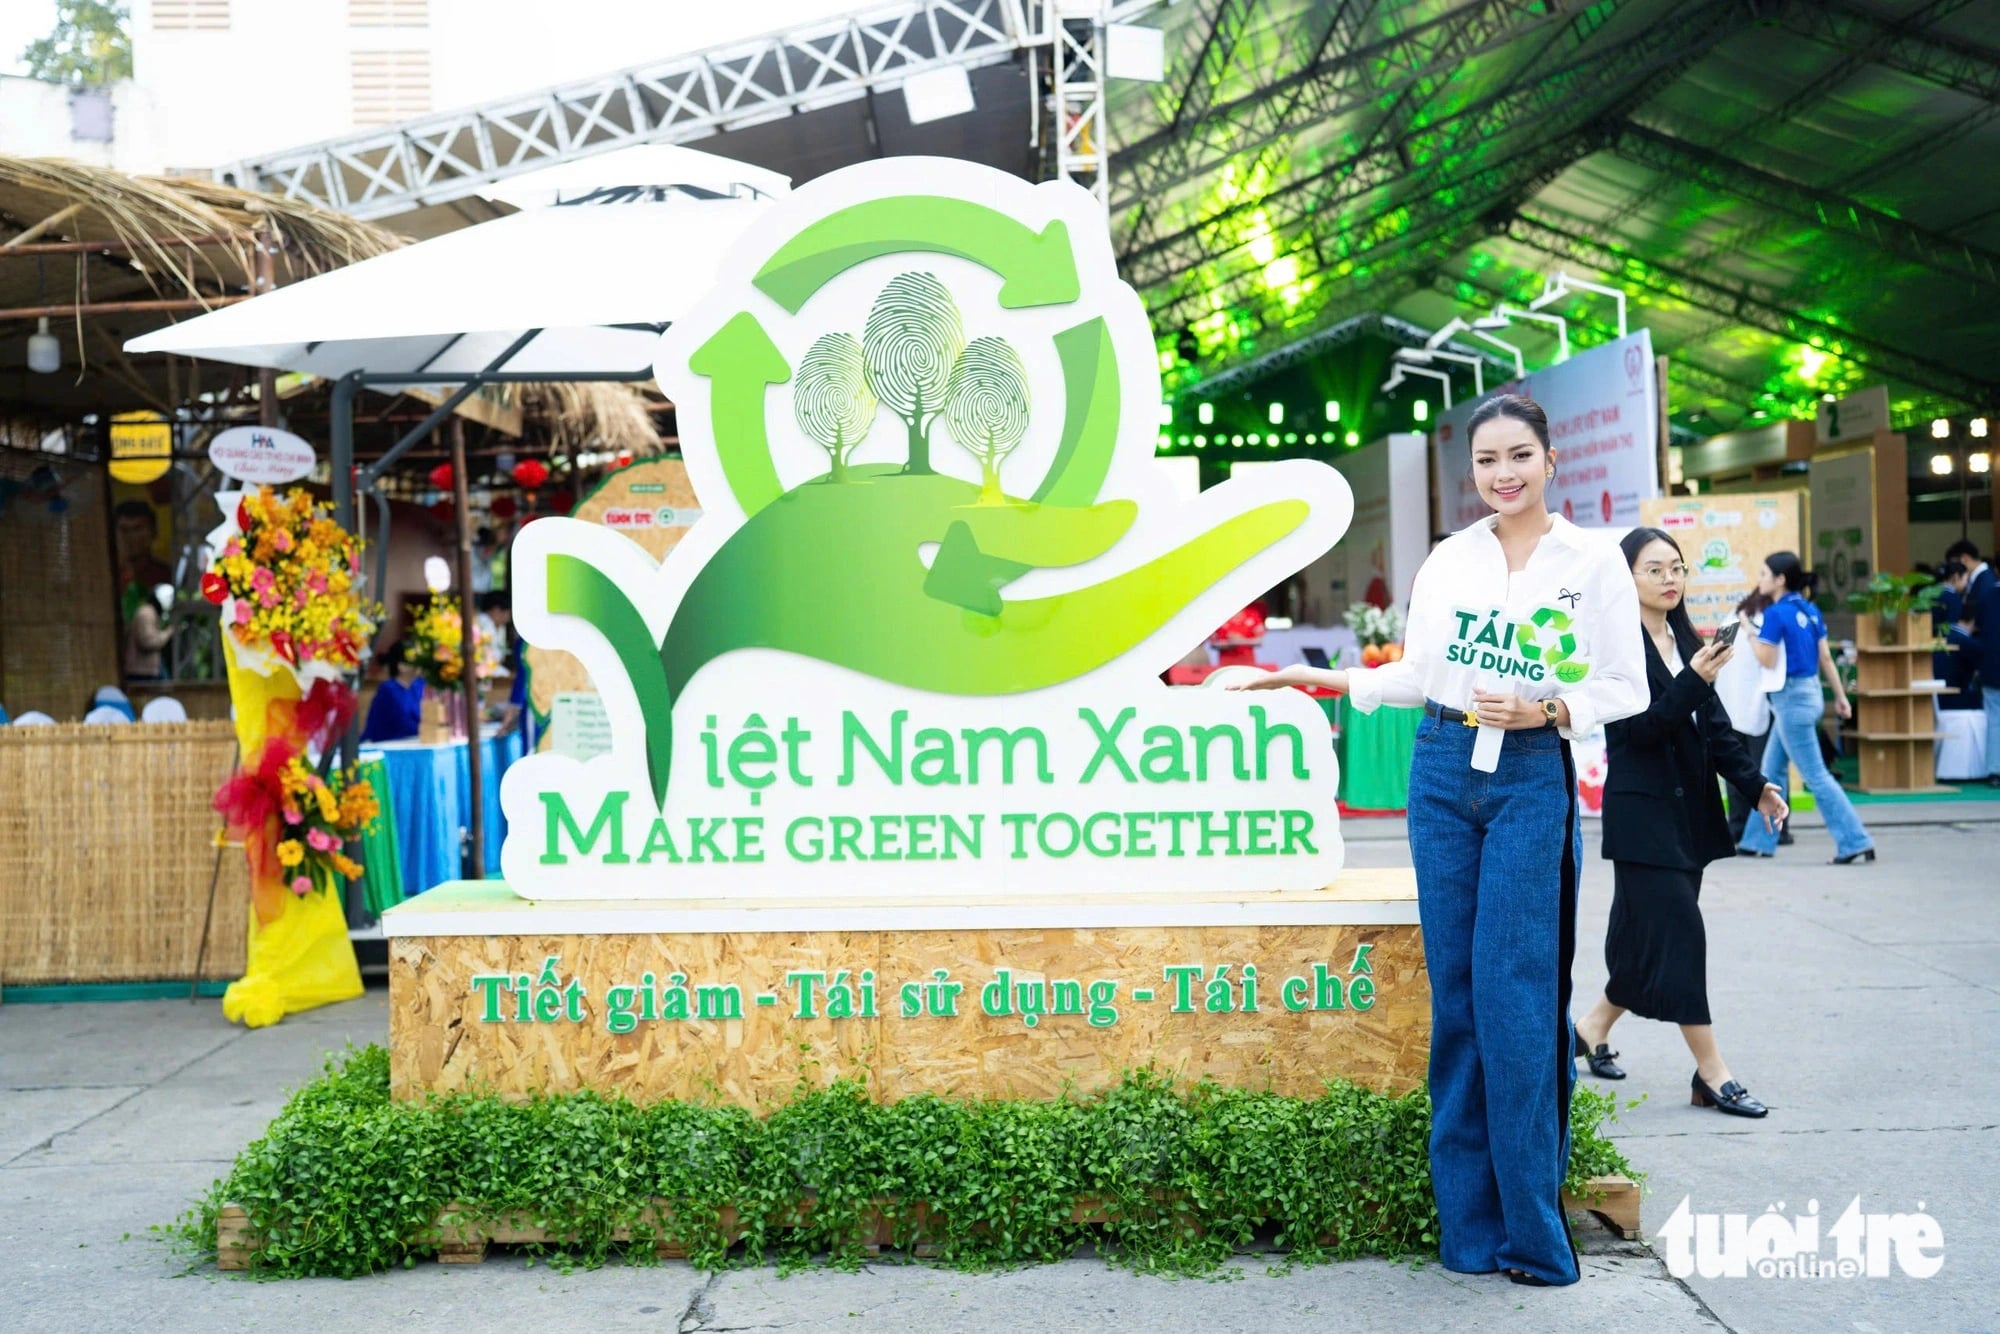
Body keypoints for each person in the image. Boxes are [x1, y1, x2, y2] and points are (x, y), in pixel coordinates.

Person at [1230, 394, 1645, 1287]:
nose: (1504, 473)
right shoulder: (1450, 561)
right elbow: (1419, 673)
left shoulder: (1592, 562)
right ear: (1474, 473)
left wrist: (1551, 710)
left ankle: (1534, 1235)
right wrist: (1318, 675)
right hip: (1444, 768)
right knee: (1457, 998)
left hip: (1534, 773)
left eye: (1520, 455)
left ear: (1551, 458)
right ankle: (1468, 1231)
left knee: (1514, 996)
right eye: (1489, 460)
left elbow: (1627, 684)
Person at [1572, 528, 1788, 1118]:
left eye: (1678, 568)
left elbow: (1714, 728)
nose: (1671, 579)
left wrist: (1757, 786)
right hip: (1642, 818)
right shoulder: (1613, 646)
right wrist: (1694, 679)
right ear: (1626, 578)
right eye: (1655, 569)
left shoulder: (1685, 638)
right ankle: (1711, 1073)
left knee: (1648, 940)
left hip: (1687, 817)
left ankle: (1591, 1027)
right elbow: (1637, 733)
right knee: (1682, 938)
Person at [1736, 553, 1875, 862]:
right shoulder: (1809, 609)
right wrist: (1839, 696)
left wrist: (1748, 631)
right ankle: (1757, 840)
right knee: (1770, 771)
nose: (1760, 579)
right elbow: (1824, 658)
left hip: (1790, 701)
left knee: (1816, 776)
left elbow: (1767, 660)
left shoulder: (1775, 614)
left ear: (1780, 578)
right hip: (1809, 693)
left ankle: (1855, 840)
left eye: (1763, 572)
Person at [112, 500, 173, 625]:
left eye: (137, 529)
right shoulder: (104, 578)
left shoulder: (166, 576)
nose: (131, 537)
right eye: (124, 530)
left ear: (154, 532)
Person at [360, 640, 425, 743]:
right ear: (401, 666)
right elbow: (403, 723)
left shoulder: (420, 685)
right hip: (389, 743)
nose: (419, 665)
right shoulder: (388, 690)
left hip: (415, 741)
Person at [123, 583, 176, 681]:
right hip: (141, 672)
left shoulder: (150, 613)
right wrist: (167, 633)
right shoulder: (146, 614)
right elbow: (148, 642)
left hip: (146, 670)